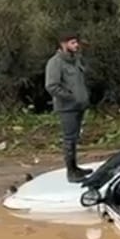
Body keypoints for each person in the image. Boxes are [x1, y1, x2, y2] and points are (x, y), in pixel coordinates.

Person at [44, 32, 91, 183]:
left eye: (76, 42)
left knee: (75, 138)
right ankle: (71, 173)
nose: (76, 45)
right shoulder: (55, 62)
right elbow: (51, 86)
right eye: (72, 43)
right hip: (67, 108)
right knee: (69, 139)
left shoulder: (75, 60)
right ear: (63, 44)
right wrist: (70, 97)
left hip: (79, 106)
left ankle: (76, 168)